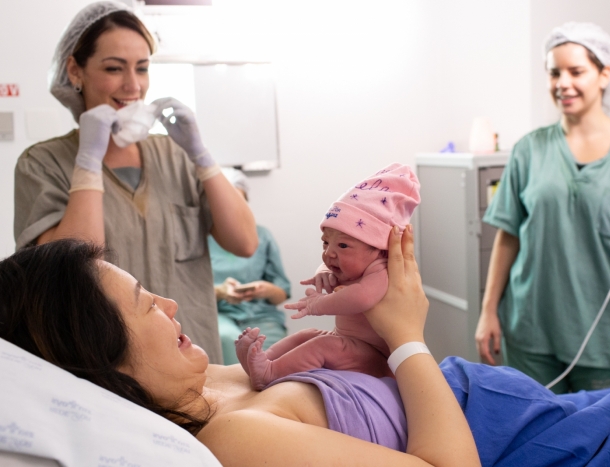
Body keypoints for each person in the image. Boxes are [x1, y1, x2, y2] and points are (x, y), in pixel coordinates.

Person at [0, 231, 480, 466]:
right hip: (493, 421)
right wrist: (406, 336)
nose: (168, 304)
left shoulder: (209, 382)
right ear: (100, 352)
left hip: (474, 390)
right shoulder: (234, 437)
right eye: (146, 304)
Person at [13, 1, 257, 364]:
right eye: (114, 68)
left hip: (191, 358)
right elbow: (76, 270)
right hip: (109, 364)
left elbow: (245, 242)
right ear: (75, 71)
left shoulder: (175, 155)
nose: (133, 85)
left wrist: (201, 156)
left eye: (142, 69)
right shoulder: (42, 164)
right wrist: (89, 162)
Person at [475, 22, 610, 393]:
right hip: (530, 335)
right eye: (554, 72)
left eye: (576, 71)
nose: (562, 83)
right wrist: (488, 311)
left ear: (605, 74)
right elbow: (508, 238)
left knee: (609, 443)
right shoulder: (528, 151)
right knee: (536, 440)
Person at [237, 163, 420, 390]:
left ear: (379, 248)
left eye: (343, 245)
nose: (329, 253)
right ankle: (263, 360)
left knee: (324, 345)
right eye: (326, 242)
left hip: (376, 359)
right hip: (351, 343)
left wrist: (318, 305)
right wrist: (323, 272)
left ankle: (268, 373)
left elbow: (361, 298)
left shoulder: (382, 270)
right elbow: (326, 266)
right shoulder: (353, 265)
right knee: (308, 335)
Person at [210, 168, 291, 365]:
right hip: (219, 316)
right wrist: (219, 292)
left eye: (238, 203)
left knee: (271, 361)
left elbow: (282, 293)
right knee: (227, 343)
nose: (232, 211)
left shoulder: (262, 236)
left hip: (262, 317)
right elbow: (185, 293)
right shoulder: (197, 239)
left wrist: (266, 290)